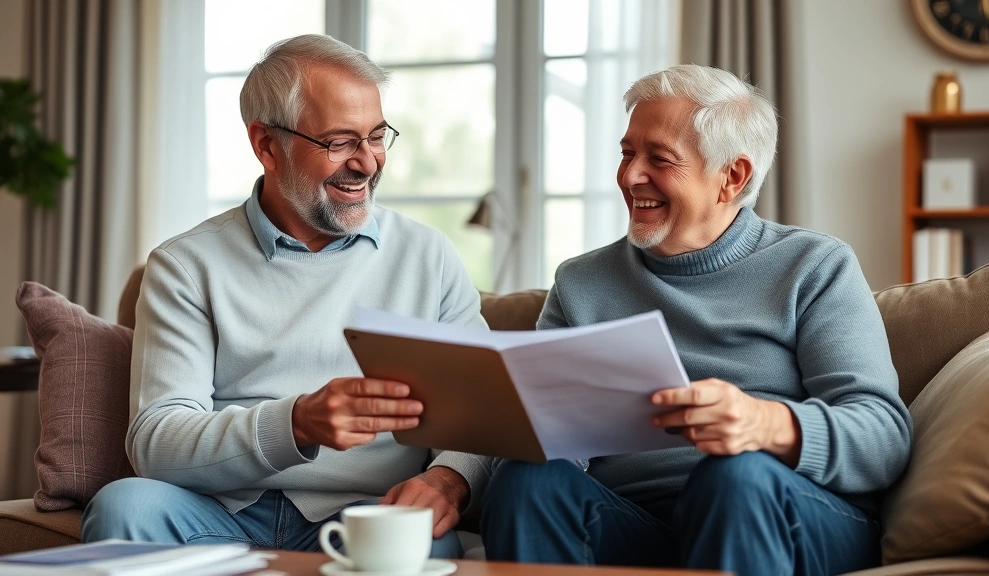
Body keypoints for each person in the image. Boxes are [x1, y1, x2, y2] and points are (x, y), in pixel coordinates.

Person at [479, 64, 912, 575]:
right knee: (526, 476)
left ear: (732, 176)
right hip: (634, 523)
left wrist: (764, 424)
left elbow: (883, 437)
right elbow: (545, 434)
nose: (629, 176)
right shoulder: (581, 282)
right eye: (626, 153)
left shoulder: (814, 266)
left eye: (658, 159)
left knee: (735, 477)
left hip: (780, 509)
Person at [81, 35, 491, 558]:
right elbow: (156, 443)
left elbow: (480, 413)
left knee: (426, 545)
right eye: (340, 142)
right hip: (218, 511)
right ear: (267, 145)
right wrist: (298, 422)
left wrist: (446, 480)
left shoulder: (428, 257)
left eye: (377, 135)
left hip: (368, 513)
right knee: (125, 508)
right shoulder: (185, 266)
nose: (368, 163)